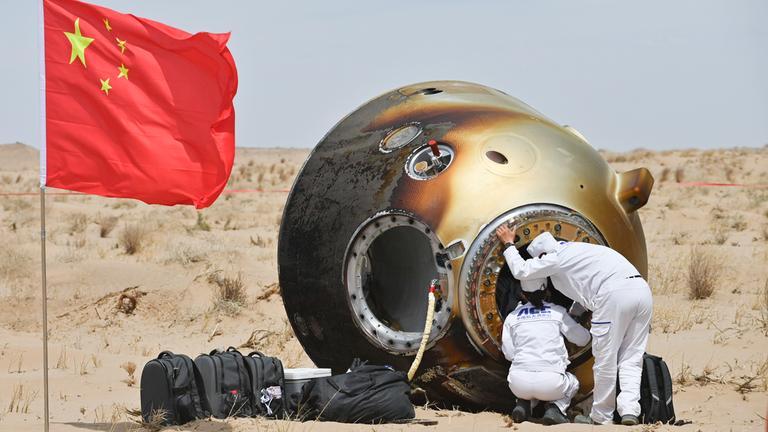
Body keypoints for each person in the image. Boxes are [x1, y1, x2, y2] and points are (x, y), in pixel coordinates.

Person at [496, 225, 653, 426]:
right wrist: (570, 319)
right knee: (632, 357)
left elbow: (521, 270)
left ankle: (601, 416)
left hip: (612, 295)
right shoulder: (583, 251)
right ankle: (630, 411)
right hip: (641, 291)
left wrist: (509, 244)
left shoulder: (556, 257)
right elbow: (583, 292)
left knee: (605, 358)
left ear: (543, 255)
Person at [502, 277, 591, 425]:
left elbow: (509, 354)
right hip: (551, 384)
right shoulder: (557, 312)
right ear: (547, 292)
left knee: (526, 380)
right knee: (573, 382)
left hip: (518, 384)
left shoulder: (512, 317)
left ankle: (523, 404)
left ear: (523, 294)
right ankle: (556, 409)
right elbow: (583, 339)